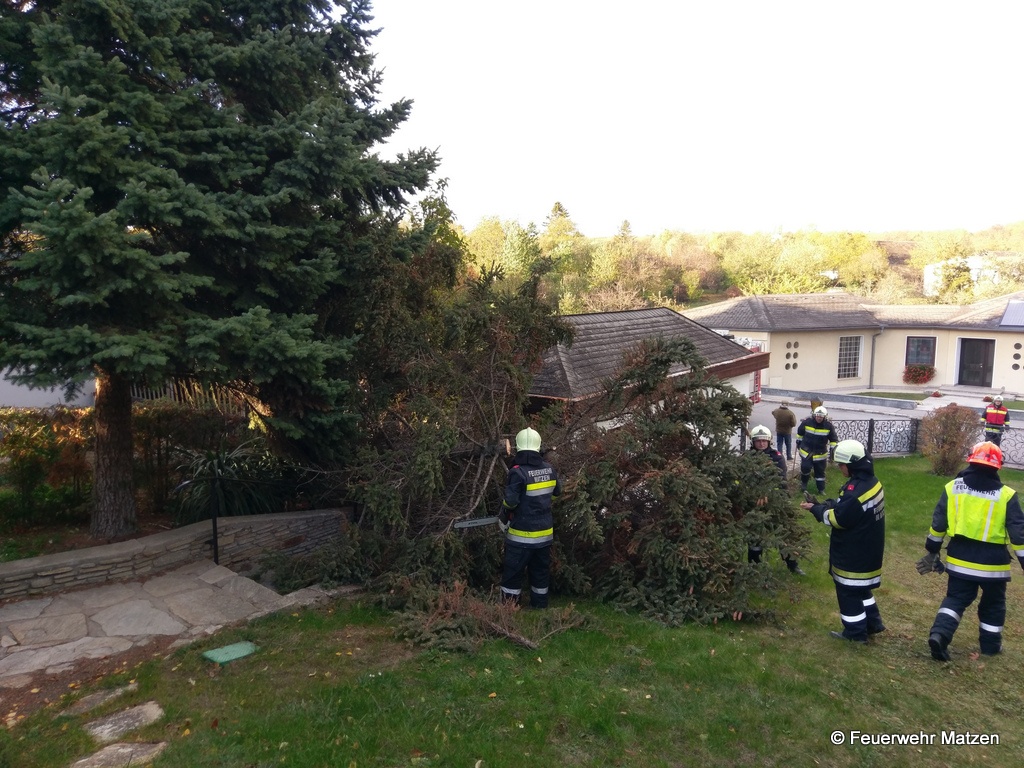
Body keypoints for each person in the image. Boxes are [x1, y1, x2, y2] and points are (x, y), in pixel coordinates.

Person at [916, 441, 1024, 661]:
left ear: (971, 461)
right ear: (997, 466)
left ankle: (939, 635)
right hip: (993, 565)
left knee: (955, 599)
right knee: (993, 604)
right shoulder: (1007, 495)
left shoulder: (952, 488)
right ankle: (990, 647)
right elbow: (1019, 536)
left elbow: (938, 524)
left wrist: (932, 550)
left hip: (960, 560)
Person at [800, 439, 886, 643]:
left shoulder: (856, 493)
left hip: (853, 554)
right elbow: (845, 506)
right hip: (868, 550)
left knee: (848, 592)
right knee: (861, 589)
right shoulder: (870, 482)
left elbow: (838, 519)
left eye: (841, 464)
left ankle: (855, 633)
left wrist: (817, 510)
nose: (840, 468)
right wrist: (824, 503)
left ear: (853, 464)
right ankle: (873, 623)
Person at [499, 427, 561, 608]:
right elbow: (556, 494)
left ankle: (509, 607)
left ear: (518, 447)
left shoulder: (517, 472)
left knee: (513, 572)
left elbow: (511, 502)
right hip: (544, 535)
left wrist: (504, 514)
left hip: (521, 536)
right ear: (538, 446)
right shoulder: (549, 469)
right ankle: (540, 605)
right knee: (540, 572)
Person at [747, 425, 804, 575]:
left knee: (784, 533)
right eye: (758, 441)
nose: (761, 444)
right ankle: (754, 567)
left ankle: (792, 565)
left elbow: (780, 479)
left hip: (776, 502)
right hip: (754, 504)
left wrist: (770, 494)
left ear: (769, 441)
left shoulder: (776, 457)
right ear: (753, 442)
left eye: (764, 441)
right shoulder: (746, 458)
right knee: (755, 536)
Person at [796, 406, 839, 494]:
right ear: (814, 415)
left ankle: (821, 490)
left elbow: (833, 440)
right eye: (817, 415)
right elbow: (800, 433)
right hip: (806, 452)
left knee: (820, 472)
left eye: (821, 416)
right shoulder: (807, 422)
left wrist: (832, 450)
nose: (819, 418)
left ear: (825, 417)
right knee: (805, 468)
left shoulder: (828, 426)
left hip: (820, 454)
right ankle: (804, 485)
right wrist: (799, 443)